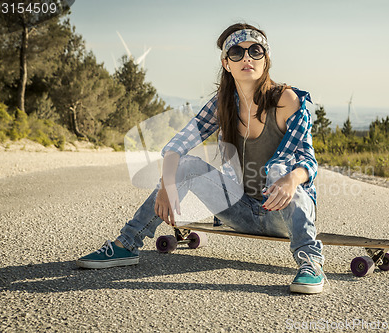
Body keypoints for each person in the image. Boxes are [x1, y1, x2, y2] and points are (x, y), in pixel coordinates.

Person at [77, 23, 326, 294]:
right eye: (236, 52)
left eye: (255, 51)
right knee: (186, 166)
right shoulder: (223, 104)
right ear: (226, 63)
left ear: (266, 60)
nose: (246, 58)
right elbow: (177, 146)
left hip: (283, 212)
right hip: (241, 211)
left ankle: (310, 263)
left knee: (283, 174)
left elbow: (307, 160)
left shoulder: (286, 99)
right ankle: (126, 245)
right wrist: (166, 186)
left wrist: (293, 179)